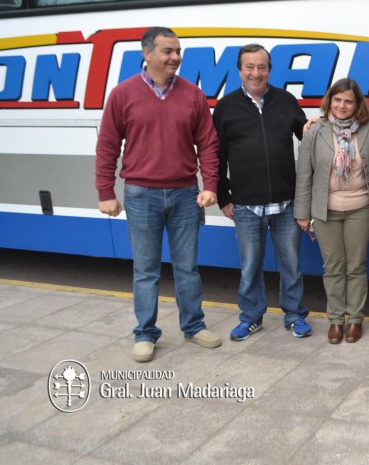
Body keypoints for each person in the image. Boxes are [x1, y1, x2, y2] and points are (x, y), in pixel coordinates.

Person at [96, 26, 221, 362]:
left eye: (178, 51)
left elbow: (208, 143)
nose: (175, 57)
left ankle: (193, 326)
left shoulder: (193, 94)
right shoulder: (123, 94)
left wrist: (210, 185)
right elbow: (108, 145)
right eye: (168, 51)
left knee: (187, 268)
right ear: (147, 53)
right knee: (146, 270)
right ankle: (145, 333)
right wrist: (105, 191)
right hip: (141, 195)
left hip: (185, 194)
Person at [213, 44, 312, 342]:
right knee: (250, 266)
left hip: (286, 203)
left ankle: (295, 316)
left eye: (262, 67)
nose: (256, 73)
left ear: (269, 70)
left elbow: (309, 140)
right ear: (239, 70)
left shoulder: (286, 101)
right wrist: (223, 196)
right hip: (245, 205)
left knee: (291, 264)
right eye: (250, 67)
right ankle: (251, 318)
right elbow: (216, 156)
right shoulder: (226, 107)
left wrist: (316, 127)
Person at [294, 78, 369, 344]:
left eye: (348, 101)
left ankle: (355, 320)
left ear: (357, 104)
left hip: (360, 208)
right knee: (332, 267)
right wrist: (302, 212)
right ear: (330, 101)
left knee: (356, 266)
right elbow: (304, 174)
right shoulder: (315, 130)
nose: (342, 106)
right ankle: (336, 320)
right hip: (325, 210)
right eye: (337, 100)